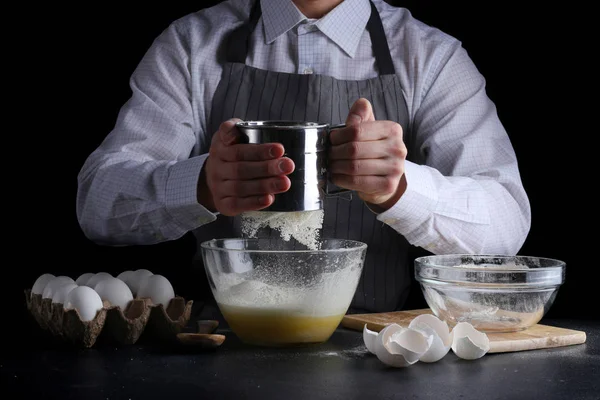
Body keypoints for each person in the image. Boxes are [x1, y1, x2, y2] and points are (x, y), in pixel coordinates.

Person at [76, 0, 531, 313]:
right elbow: (98, 203)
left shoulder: (433, 60)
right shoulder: (193, 46)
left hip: (380, 350)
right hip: (221, 348)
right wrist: (202, 185)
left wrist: (401, 188)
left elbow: (505, 225)